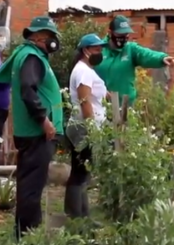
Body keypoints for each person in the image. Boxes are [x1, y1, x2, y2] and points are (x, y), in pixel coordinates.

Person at [0, 16, 62, 239]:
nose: (54, 41)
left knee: (29, 185)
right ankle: (28, 236)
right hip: (37, 133)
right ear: (38, 37)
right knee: (32, 189)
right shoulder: (31, 57)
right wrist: (44, 121)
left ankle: (21, 235)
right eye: (51, 37)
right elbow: (28, 91)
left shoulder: (26, 55)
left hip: (32, 133)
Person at [64, 33, 107, 221]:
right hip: (84, 127)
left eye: (101, 49)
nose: (100, 52)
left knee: (82, 172)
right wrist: (91, 128)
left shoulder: (86, 69)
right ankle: (76, 218)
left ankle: (83, 216)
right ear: (86, 50)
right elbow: (84, 100)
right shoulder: (83, 71)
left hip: (83, 125)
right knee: (80, 172)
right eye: (97, 49)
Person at [94, 15, 174, 106]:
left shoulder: (130, 49)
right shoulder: (99, 49)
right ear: (110, 33)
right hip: (101, 106)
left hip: (126, 106)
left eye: (126, 35)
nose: (124, 38)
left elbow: (146, 54)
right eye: (120, 35)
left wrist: (161, 58)